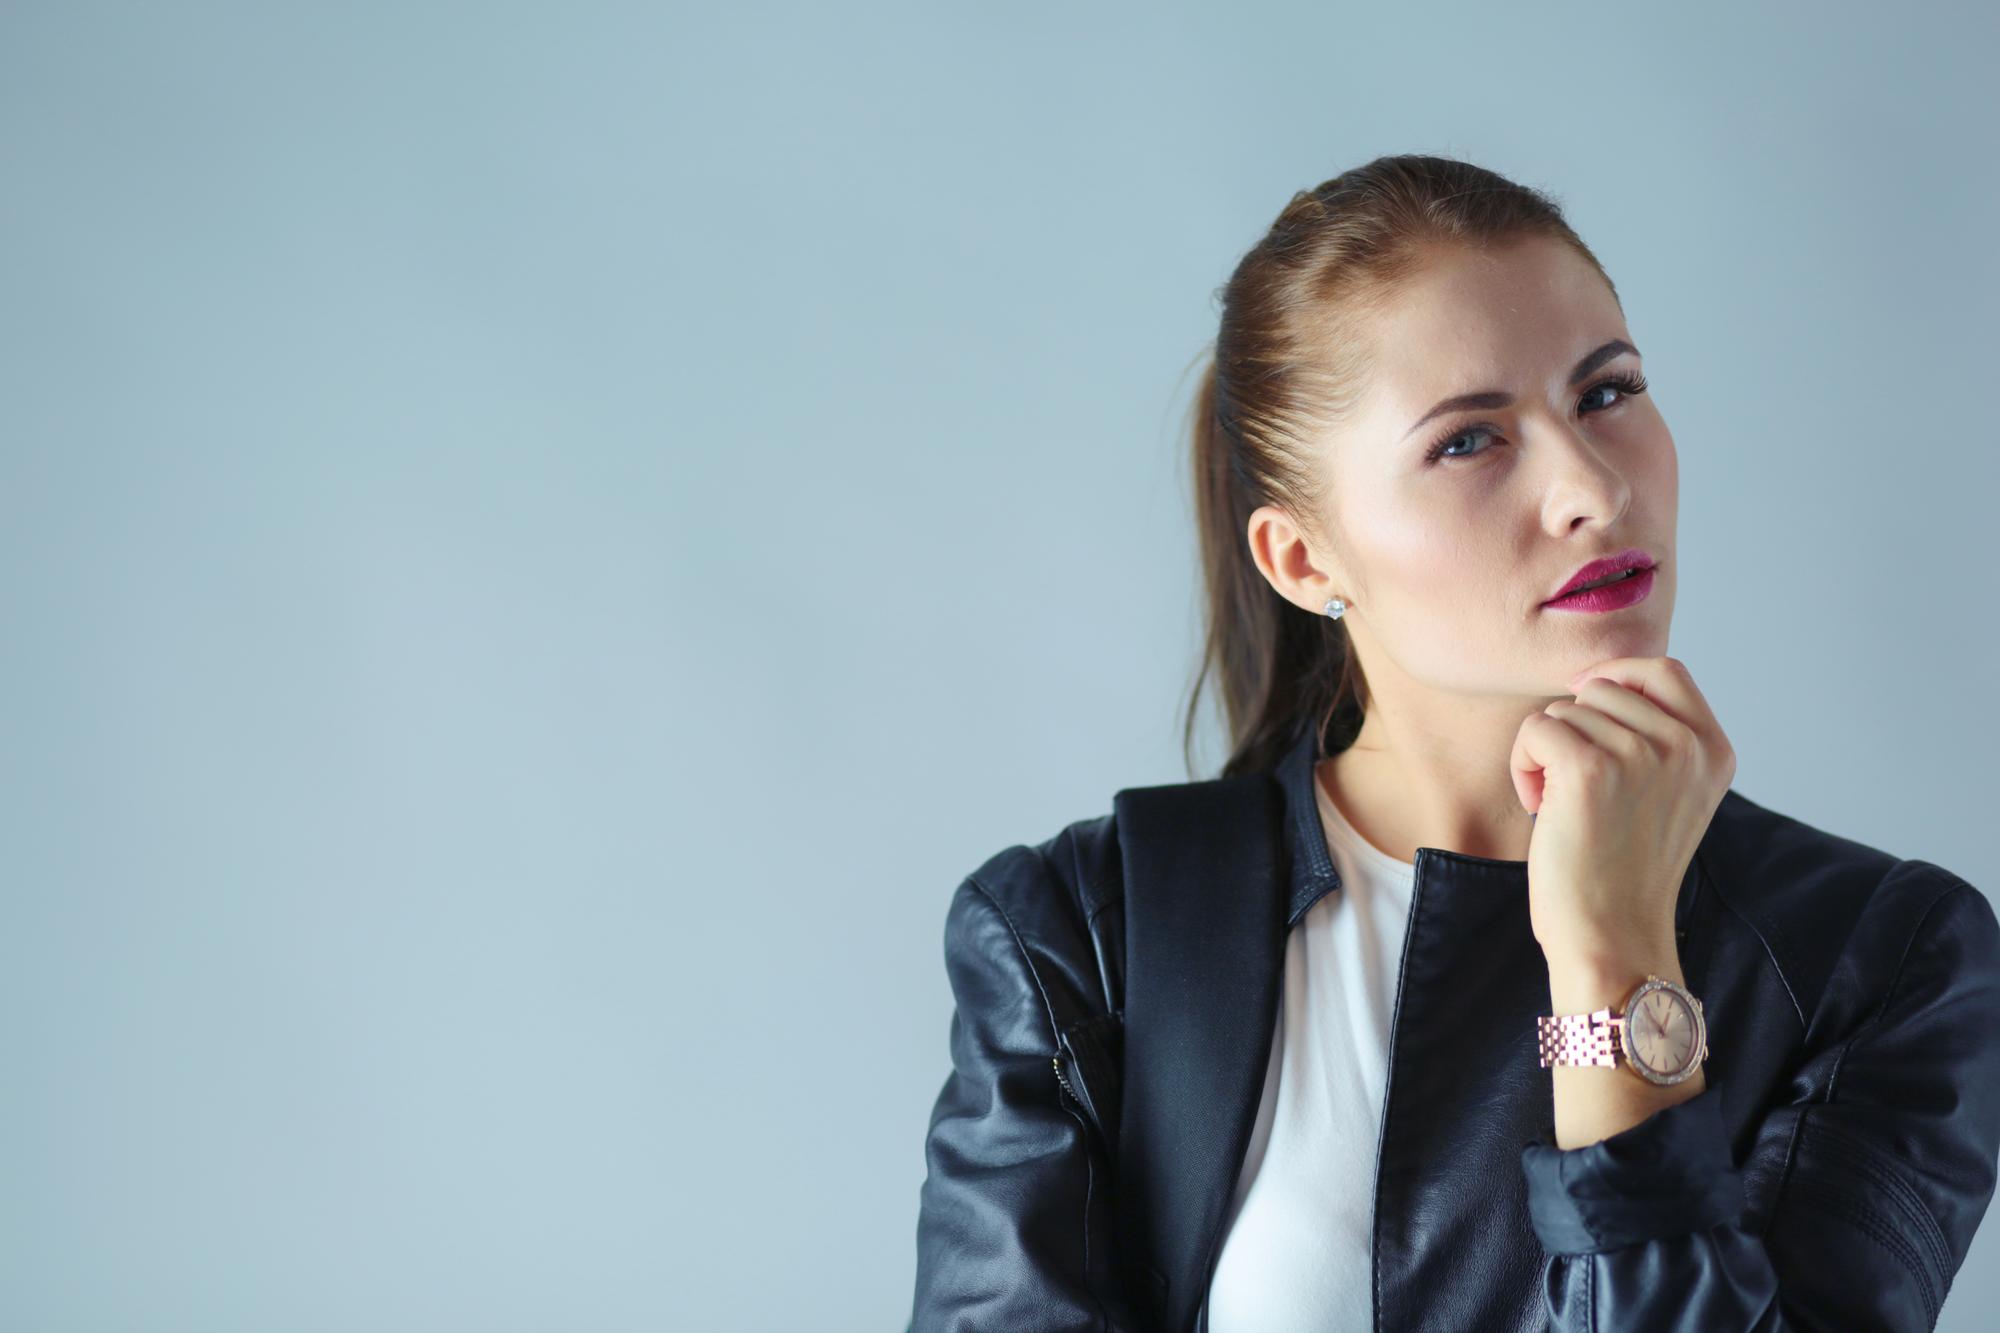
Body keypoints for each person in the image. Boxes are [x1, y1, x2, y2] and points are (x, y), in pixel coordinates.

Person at [908, 154, 2000, 1332]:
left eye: (1607, 391)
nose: (1590, 486)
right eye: (1468, 442)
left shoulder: (1880, 961)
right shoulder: (1089, 938)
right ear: (1301, 561)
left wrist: (1616, 955)